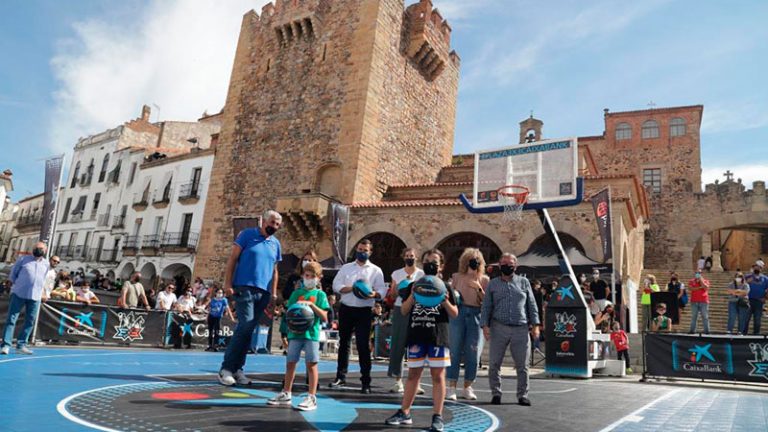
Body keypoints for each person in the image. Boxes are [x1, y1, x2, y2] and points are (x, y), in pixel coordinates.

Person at [385, 249, 457, 432]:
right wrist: (413, 295)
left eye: (434, 261)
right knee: (412, 375)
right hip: (416, 334)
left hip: (438, 336)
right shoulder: (413, 284)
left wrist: (444, 301)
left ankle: (437, 416)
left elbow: (455, 313)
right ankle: (405, 412)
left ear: (442, 266)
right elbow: (403, 310)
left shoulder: (445, 286)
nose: (430, 264)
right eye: (427, 261)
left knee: (437, 376)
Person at [219, 210, 283, 387]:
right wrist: (227, 284)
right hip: (244, 287)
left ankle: (238, 369)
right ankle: (226, 368)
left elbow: (275, 270)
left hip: (263, 292)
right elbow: (233, 259)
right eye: (272, 222)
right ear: (264, 221)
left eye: (277, 224)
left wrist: (274, 293)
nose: (274, 226)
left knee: (248, 330)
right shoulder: (247, 235)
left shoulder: (276, 244)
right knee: (245, 325)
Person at [268, 261, 329, 411]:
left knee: (311, 364)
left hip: (311, 334)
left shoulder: (320, 295)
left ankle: (312, 397)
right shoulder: (296, 294)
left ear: (318, 278)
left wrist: (312, 306)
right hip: (295, 333)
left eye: (312, 276)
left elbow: (325, 317)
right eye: (306, 275)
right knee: (290, 363)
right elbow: (289, 313)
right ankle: (286, 393)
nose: (308, 278)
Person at [480, 253, 540, 406]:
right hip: (498, 327)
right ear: (499, 266)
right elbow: (486, 306)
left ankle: (522, 395)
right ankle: (496, 394)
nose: (507, 265)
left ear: (516, 265)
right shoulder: (493, 284)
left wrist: (536, 326)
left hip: (521, 328)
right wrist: (485, 326)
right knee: (494, 364)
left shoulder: (524, 282)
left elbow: (532, 305)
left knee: (523, 365)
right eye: (504, 263)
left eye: (510, 263)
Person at [330, 239, 387, 393]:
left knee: (363, 345)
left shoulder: (376, 270)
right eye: (360, 249)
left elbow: (382, 290)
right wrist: (351, 289)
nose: (362, 252)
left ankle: (366, 381)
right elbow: (336, 284)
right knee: (344, 344)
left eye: (365, 250)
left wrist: (373, 294)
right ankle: (340, 377)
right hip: (347, 308)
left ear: (370, 252)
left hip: (364, 310)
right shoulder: (346, 268)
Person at [446, 248, 489, 401]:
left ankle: (467, 386)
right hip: (459, 313)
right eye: (471, 258)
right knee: (455, 349)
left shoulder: (485, 279)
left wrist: (478, 288)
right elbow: (451, 296)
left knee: (473, 351)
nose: (474, 261)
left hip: (476, 314)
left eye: (477, 258)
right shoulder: (456, 277)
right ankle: (451, 386)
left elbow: (487, 303)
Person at [1, 242, 50, 355]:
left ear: (45, 251)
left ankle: (21, 345)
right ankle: (6, 345)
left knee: (30, 321)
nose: (38, 250)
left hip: (35, 296)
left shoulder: (46, 264)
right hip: (19, 293)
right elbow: (13, 274)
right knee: (11, 319)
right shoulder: (23, 260)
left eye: (40, 248)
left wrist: (43, 293)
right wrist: (10, 284)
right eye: (36, 248)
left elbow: (43, 280)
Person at [387, 247, 424, 394]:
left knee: (417, 346)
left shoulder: (421, 274)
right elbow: (393, 294)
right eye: (407, 255)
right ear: (404, 257)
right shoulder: (397, 273)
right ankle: (397, 380)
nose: (410, 258)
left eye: (412, 256)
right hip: (399, 309)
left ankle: (417, 382)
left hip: (417, 310)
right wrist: (399, 286)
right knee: (398, 343)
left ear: (416, 258)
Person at [205, 287, 235, 352]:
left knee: (217, 331)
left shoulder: (224, 300)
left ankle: (216, 345)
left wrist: (231, 317)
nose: (219, 294)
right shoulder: (212, 300)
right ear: (216, 293)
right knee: (210, 331)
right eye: (218, 292)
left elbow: (227, 309)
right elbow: (209, 309)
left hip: (218, 317)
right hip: (211, 316)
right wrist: (207, 316)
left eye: (221, 293)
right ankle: (210, 345)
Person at [745, 264, 768, 334]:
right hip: (748, 301)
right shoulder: (747, 276)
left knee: (757, 320)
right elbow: (741, 285)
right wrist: (747, 281)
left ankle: (756, 335)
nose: (757, 268)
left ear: (761, 269)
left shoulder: (765, 278)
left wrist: (765, 298)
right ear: (753, 268)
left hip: (759, 302)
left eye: (759, 267)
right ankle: (743, 334)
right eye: (756, 266)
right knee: (746, 319)